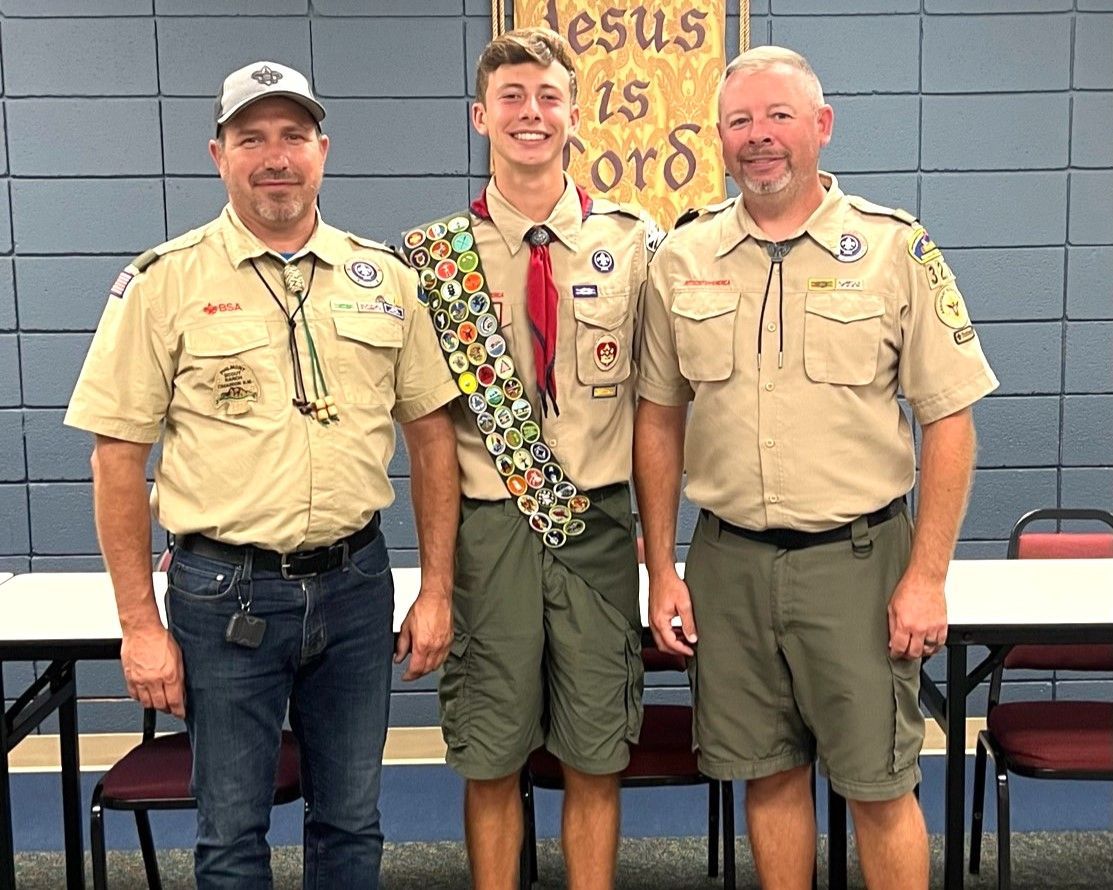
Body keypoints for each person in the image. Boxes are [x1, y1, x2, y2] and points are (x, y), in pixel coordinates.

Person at [64, 60, 460, 889]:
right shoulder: (164, 282)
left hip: (355, 587)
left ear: (323, 150)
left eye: (292, 136)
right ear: (218, 154)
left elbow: (430, 441)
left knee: (351, 821)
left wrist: (436, 590)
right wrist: (140, 626)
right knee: (232, 832)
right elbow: (116, 461)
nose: (274, 156)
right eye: (252, 138)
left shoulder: (383, 280)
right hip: (221, 595)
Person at [634, 46, 998, 890]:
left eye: (778, 117)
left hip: (859, 562)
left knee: (878, 783)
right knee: (767, 772)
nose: (758, 137)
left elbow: (948, 421)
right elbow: (658, 419)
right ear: (719, 139)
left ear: (821, 128)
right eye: (739, 122)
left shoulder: (892, 249)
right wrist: (662, 564)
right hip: (728, 560)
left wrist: (927, 576)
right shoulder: (681, 258)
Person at [399, 28, 655, 890]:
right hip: (488, 531)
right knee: (490, 754)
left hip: (597, 525)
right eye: (510, 98)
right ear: (480, 116)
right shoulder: (433, 260)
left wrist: (662, 547)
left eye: (547, 97)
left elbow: (662, 412)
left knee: (594, 751)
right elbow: (424, 431)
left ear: (575, 117)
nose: (530, 113)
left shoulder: (634, 246)